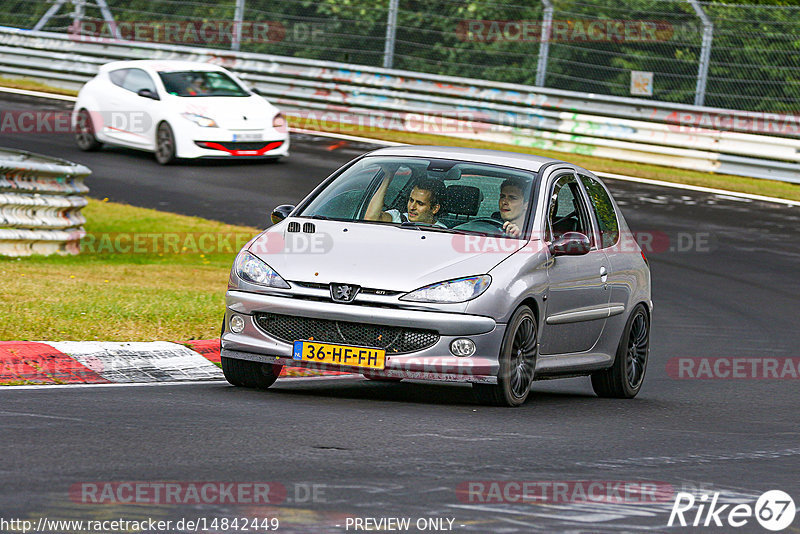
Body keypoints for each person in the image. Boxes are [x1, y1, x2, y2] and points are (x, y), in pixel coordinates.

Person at [364, 163, 447, 227]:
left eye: (420, 203)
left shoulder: (442, 232)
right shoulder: (397, 217)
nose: (412, 207)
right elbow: (370, 219)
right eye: (411, 200)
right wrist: (389, 176)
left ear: (435, 209)